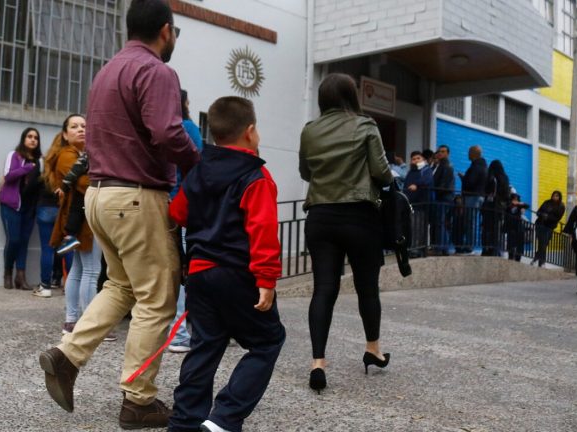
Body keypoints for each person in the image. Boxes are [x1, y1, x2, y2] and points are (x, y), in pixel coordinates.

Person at [37, 1, 199, 428]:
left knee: (121, 286)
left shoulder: (107, 71)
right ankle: (138, 400)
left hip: (100, 197)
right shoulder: (158, 72)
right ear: (166, 31)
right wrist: (198, 166)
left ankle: (67, 355)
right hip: (137, 196)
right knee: (157, 299)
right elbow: (167, 132)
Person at [167, 96, 285, 432]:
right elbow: (262, 230)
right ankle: (224, 418)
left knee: (205, 344)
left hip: (200, 275)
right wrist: (267, 279)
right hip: (237, 274)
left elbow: (178, 212)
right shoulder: (256, 176)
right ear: (250, 132)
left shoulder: (200, 169)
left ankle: (185, 421)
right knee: (267, 341)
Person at [298, 73, 393, 393]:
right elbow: (382, 173)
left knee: (323, 288)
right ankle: (372, 349)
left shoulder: (310, 130)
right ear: (351, 97)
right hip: (359, 216)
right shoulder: (366, 126)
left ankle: (318, 364)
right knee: (368, 289)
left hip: (320, 216)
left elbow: (305, 172)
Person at [47, 114, 104, 334]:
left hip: (81, 219)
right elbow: (84, 183)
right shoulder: (66, 155)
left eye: (83, 126)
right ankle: (89, 324)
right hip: (81, 221)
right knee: (91, 270)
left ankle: (72, 320)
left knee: (79, 270)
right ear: (65, 134)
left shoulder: (82, 155)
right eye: (74, 126)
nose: (80, 129)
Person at [168, 88, 204, 354]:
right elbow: (198, 169)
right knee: (184, 269)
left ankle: (170, 329)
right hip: (183, 207)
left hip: (155, 203)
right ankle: (179, 334)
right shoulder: (189, 128)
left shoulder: (152, 127)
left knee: (166, 269)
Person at [0, 127, 41, 290]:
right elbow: (9, 176)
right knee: (14, 239)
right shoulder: (14, 155)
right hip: (11, 204)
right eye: (29, 136)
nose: (33, 140)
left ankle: (20, 278)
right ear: (23, 139)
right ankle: (8, 273)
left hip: (29, 207)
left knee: (24, 242)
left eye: (36, 137)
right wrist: (28, 168)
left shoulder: (39, 161)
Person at [36, 134, 73, 293]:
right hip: (64, 209)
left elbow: (35, 184)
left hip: (45, 208)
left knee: (47, 249)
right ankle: (69, 286)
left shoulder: (46, 161)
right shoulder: (70, 160)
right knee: (67, 248)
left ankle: (45, 287)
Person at [457, 145, 487, 254]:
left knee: (470, 222)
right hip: (479, 197)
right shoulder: (483, 166)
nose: (468, 154)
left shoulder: (476, 167)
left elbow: (470, 182)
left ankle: (469, 246)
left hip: (472, 196)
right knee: (473, 222)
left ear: (474, 154)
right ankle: (470, 245)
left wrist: (463, 178)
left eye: (469, 152)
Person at [404, 151, 434, 256]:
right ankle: (412, 248)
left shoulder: (426, 170)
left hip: (421, 204)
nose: (416, 160)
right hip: (411, 203)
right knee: (412, 227)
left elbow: (427, 180)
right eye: (413, 159)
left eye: (418, 158)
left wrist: (416, 184)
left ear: (423, 159)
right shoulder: (411, 172)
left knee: (418, 227)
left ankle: (417, 249)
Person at [480, 160, 510, 256]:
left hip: (489, 207)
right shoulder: (505, 178)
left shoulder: (491, 177)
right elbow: (506, 195)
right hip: (499, 208)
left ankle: (486, 249)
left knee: (486, 229)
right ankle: (495, 250)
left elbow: (485, 190)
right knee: (496, 230)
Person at [431, 145, 455, 255]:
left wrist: (436, 191)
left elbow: (443, 184)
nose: (440, 153)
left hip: (444, 197)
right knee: (441, 223)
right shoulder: (440, 165)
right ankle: (444, 248)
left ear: (448, 153)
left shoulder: (446, 165)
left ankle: (441, 248)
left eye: (443, 151)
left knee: (440, 223)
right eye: (439, 151)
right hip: (443, 197)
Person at [532, 191, 566, 267]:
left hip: (549, 227)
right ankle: (541, 262)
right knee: (541, 243)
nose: (555, 197)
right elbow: (538, 212)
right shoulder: (547, 202)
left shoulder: (561, 206)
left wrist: (548, 217)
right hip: (540, 224)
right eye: (554, 195)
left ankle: (538, 259)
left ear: (559, 197)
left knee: (544, 244)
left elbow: (557, 218)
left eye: (557, 196)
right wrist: (542, 215)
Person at [504, 193, 529, 261]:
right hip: (510, 226)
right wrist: (512, 204)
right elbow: (506, 207)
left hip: (518, 226)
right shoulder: (508, 205)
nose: (515, 201)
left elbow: (527, 206)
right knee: (510, 242)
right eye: (514, 199)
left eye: (516, 199)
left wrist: (519, 204)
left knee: (519, 243)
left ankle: (518, 257)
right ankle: (511, 256)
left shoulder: (519, 206)